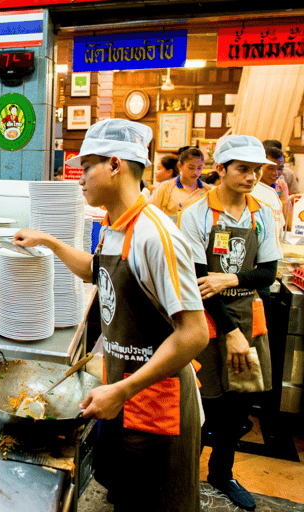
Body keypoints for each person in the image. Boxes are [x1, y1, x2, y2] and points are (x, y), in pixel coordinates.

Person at [14, 119, 208, 512]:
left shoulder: (156, 235)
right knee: (125, 497)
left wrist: (123, 390)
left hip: (157, 406)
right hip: (120, 392)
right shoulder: (112, 226)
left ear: (116, 165)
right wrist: (48, 241)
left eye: (87, 166)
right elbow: (95, 271)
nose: (79, 177)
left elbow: (194, 334)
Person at [179, 134, 281, 511]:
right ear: (220, 169)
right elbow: (198, 280)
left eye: (256, 170)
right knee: (203, 404)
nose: (252, 177)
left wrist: (232, 278)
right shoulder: (196, 215)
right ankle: (184, 473)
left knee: (240, 404)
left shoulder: (262, 212)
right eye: (243, 169)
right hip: (207, 318)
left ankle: (221, 473)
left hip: (248, 314)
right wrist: (231, 332)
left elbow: (267, 273)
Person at [149, 147, 210, 219]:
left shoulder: (208, 190)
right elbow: (150, 212)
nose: (195, 172)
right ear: (180, 166)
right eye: (191, 168)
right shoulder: (165, 187)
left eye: (199, 168)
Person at [252, 145, 286, 242]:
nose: (275, 173)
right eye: (270, 168)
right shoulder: (248, 191)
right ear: (258, 166)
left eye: (280, 169)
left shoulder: (272, 193)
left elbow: (279, 229)